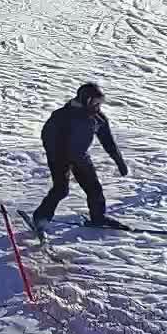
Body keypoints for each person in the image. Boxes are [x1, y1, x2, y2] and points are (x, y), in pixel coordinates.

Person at [28, 82, 128, 233]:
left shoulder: (98, 118)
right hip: (59, 157)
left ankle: (98, 218)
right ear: (85, 100)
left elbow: (108, 141)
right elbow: (47, 136)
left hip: (80, 157)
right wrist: (58, 155)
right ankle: (40, 218)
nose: (98, 106)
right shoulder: (63, 115)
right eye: (95, 102)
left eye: (99, 103)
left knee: (94, 189)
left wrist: (119, 161)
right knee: (61, 189)